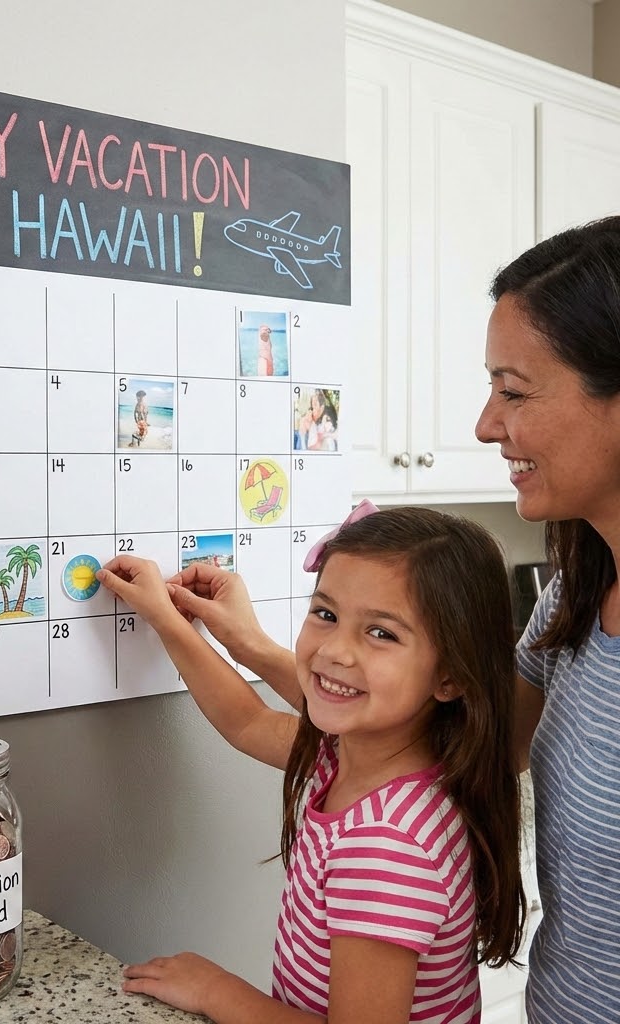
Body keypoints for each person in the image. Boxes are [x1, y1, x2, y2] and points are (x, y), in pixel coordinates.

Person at [96, 504, 525, 1024]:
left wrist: (216, 991)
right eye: (326, 614)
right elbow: (248, 721)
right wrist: (171, 621)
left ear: (451, 676)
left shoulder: (385, 845)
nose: (336, 651)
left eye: (382, 633)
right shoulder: (366, 757)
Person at [473, 215, 620, 1024]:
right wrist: (233, 641)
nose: (486, 424)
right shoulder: (573, 597)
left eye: (514, 390)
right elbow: (465, 746)